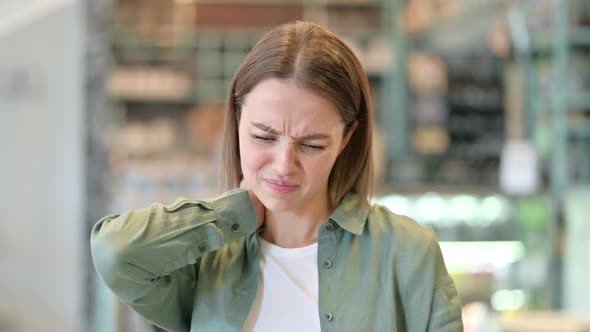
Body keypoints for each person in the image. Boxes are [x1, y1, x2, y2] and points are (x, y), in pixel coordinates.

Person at [91, 21, 463, 332]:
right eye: (263, 137)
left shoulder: (407, 252)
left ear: (347, 138)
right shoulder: (206, 259)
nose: (284, 164)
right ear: (236, 122)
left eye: (312, 144)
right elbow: (116, 252)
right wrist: (230, 215)